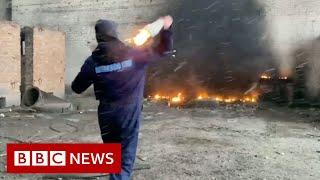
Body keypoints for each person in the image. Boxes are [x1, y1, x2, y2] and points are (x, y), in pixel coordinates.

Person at [71, 16, 173, 179]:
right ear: (115, 34)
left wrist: (94, 72)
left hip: (107, 114)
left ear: (98, 36)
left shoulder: (92, 62)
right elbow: (164, 51)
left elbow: (76, 88)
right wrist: (166, 30)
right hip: (129, 112)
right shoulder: (133, 54)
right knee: (124, 160)